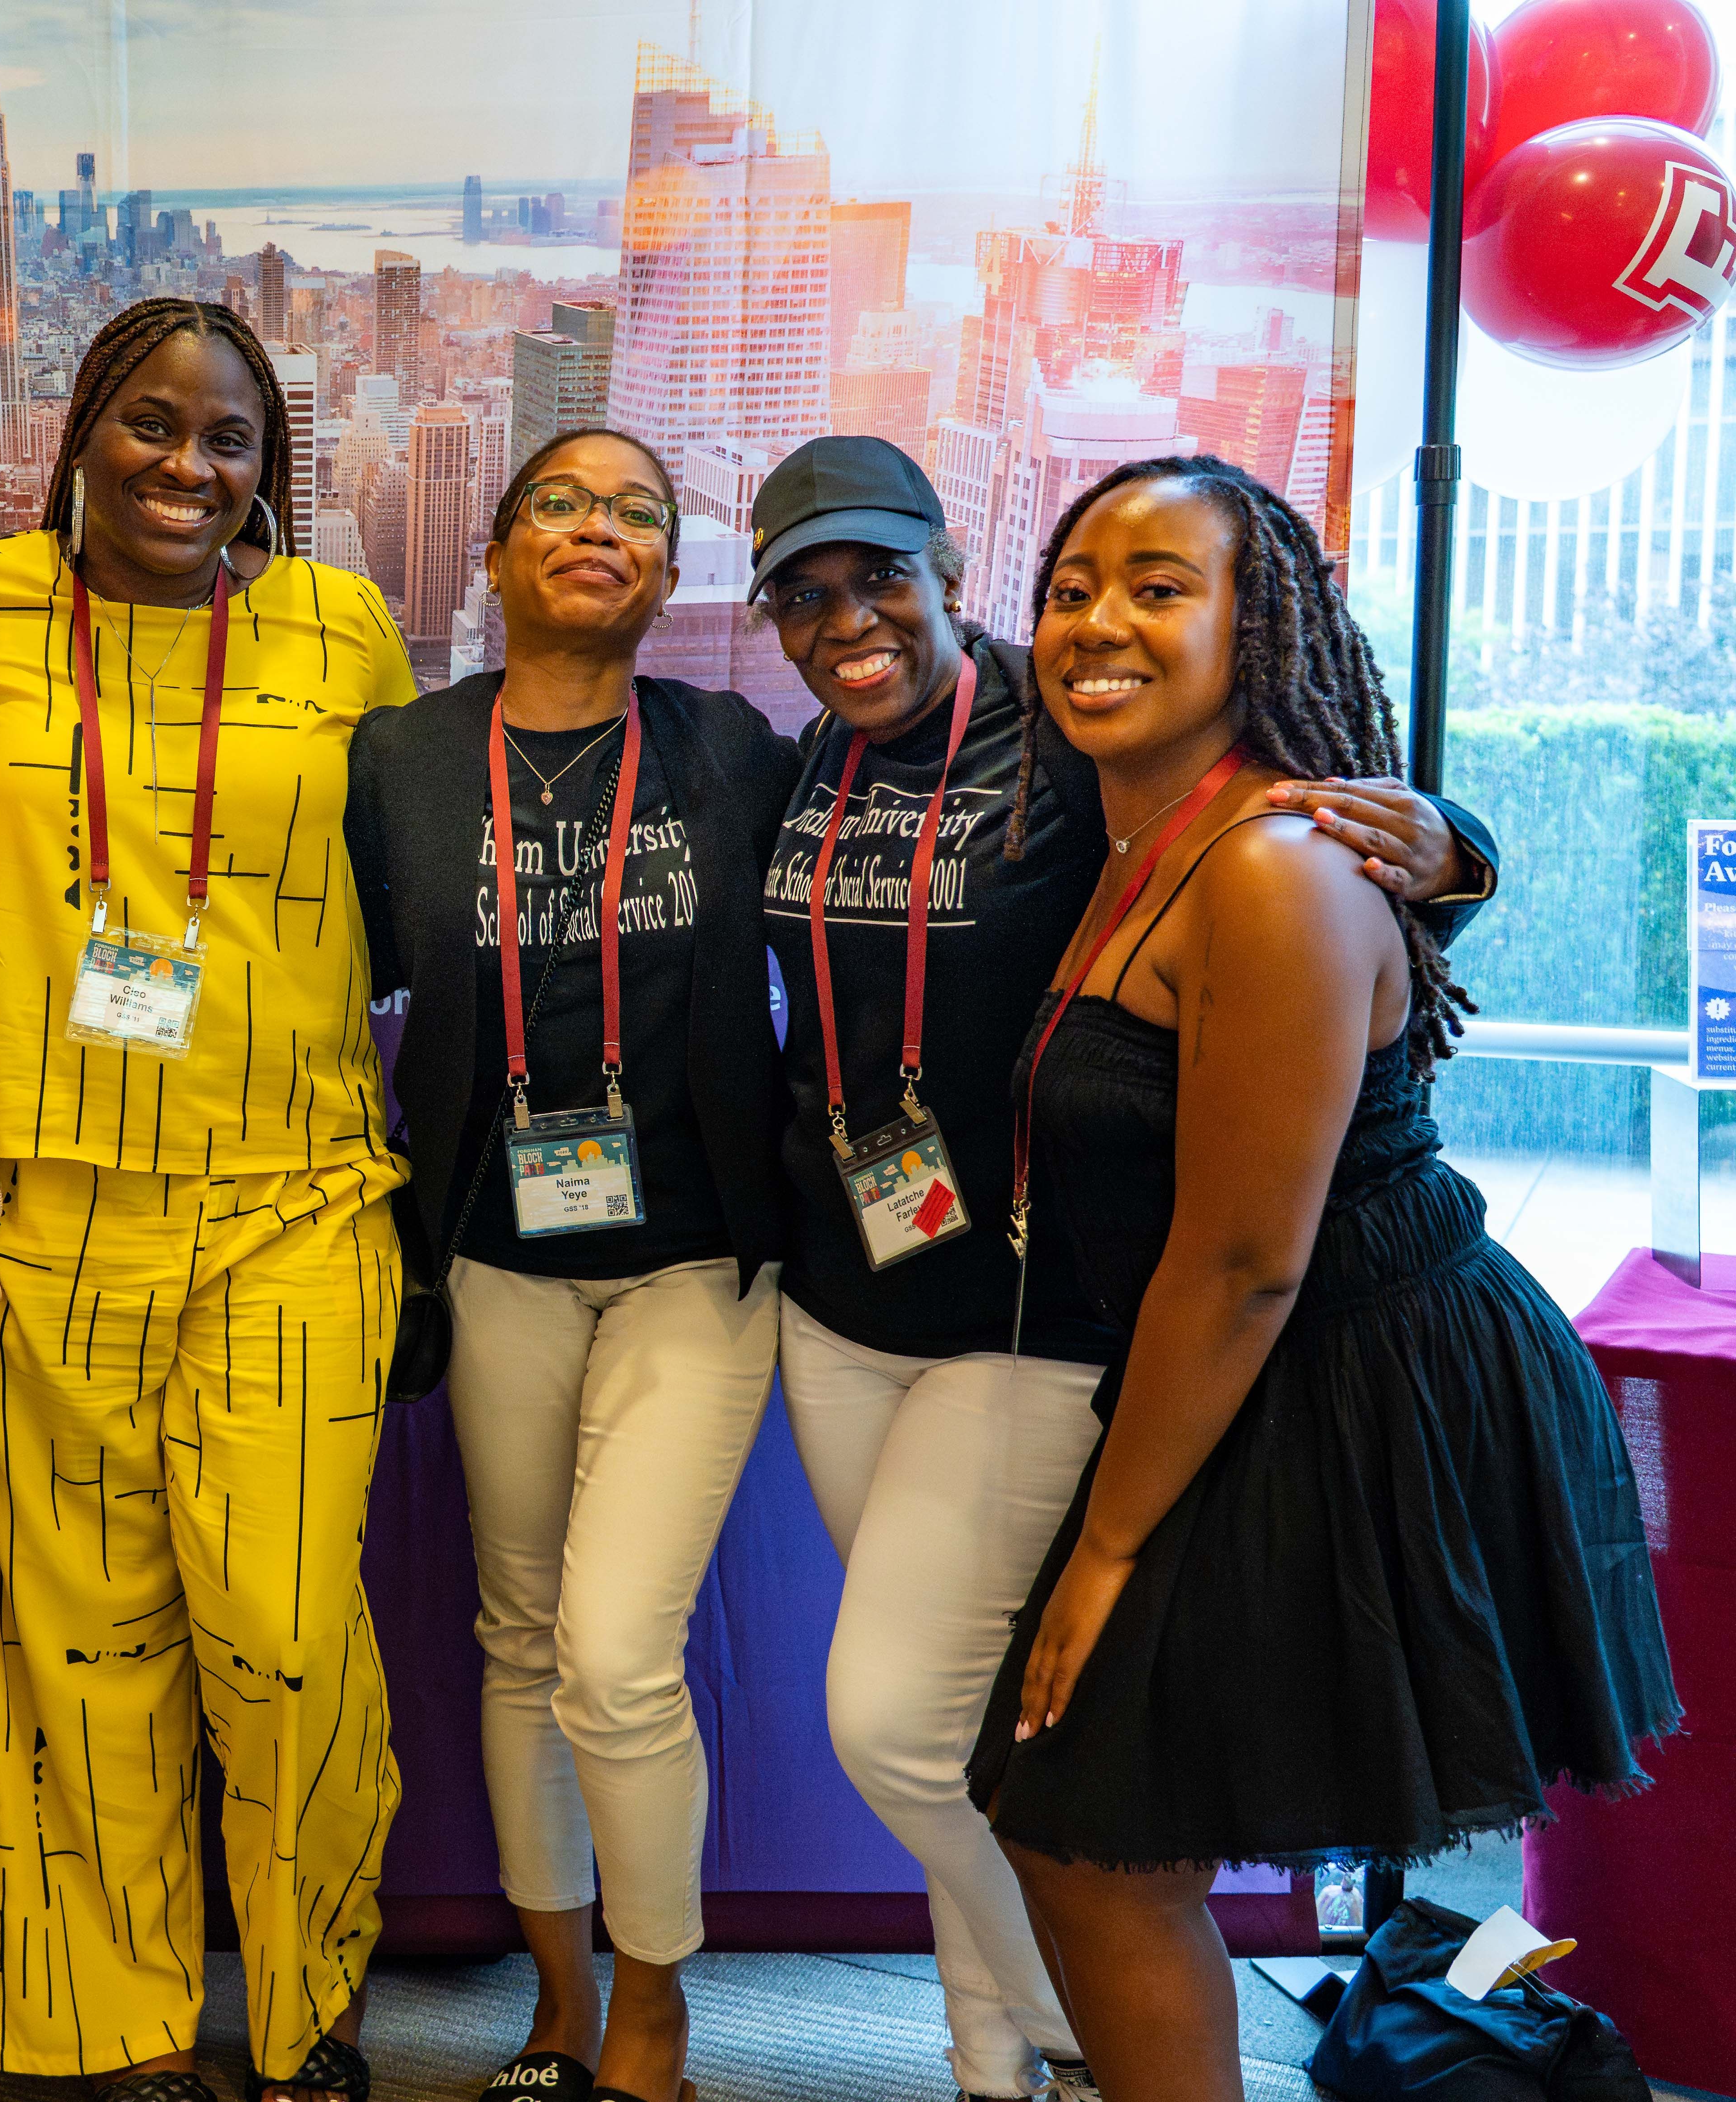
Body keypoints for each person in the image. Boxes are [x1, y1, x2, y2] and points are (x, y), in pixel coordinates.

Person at [746, 437, 1500, 2102]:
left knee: (899, 1722)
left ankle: (1099, 2045)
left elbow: (1312, 813)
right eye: (802, 594)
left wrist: (1455, 841)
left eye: (880, 575)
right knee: (962, 1731)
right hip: (846, 1296)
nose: (848, 619)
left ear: (950, 573)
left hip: (1035, 1323)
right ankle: (986, 2057)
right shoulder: (796, 763)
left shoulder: (1074, 725)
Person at [964, 454, 1677, 2102]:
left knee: (1090, 1827)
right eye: (1074, 586)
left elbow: (1240, 1263)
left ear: (1257, 624)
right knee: (1086, 1830)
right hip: (1265, 1361)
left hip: (1352, 1371)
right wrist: (1463, 852)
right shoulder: (1130, 821)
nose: (1101, 620)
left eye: (1160, 586)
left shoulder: (1274, 864)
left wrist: (1109, 1550)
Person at [0, 299, 414, 2102]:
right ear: (83, 428)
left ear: (273, 464)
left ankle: (312, 1995)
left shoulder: (341, 628)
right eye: (152, 425)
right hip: (41, 1207)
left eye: (230, 436)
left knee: (285, 1625)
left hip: (296, 1194)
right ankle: (112, 2027)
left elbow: (415, 873)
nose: (190, 465)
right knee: (75, 1636)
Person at [346, 429, 797, 2102]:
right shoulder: (401, 764)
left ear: (669, 577)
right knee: (520, 1635)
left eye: (638, 516)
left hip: (696, 1260)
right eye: (563, 504)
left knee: (615, 1651)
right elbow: (317, 966)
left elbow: (947, 792)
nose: (599, 530)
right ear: (497, 549)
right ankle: (556, 2003)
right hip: (496, 1255)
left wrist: (1432, 831)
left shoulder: (734, 749)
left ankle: (657, 2012)